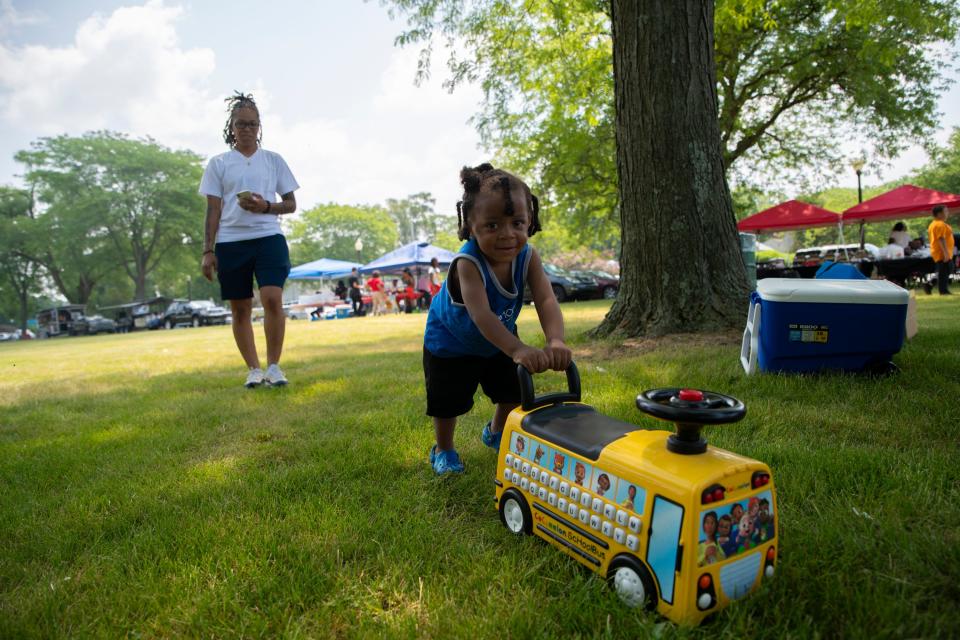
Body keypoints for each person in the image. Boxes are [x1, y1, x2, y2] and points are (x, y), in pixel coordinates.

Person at [422, 163, 572, 474]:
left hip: (497, 341)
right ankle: (444, 449)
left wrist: (555, 339)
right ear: (470, 226)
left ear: (530, 221)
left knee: (512, 392)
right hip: (450, 343)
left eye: (517, 223)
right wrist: (517, 348)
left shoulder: (528, 256)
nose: (507, 235)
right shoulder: (468, 262)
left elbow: (545, 298)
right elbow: (481, 315)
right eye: (492, 226)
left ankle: (495, 433)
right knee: (447, 403)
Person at [199, 92, 298, 388]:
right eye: (241, 124)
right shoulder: (219, 164)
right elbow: (213, 210)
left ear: (259, 127)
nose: (247, 129)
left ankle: (274, 366)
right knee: (240, 307)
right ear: (231, 128)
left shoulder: (273, 160)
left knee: (271, 298)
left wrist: (265, 206)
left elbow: (291, 204)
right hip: (230, 242)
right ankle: (254, 370)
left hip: (268, 237)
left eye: (252, 124)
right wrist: (208, 250)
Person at [927, 205, 955, 295]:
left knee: (946, 269)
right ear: (939, 214)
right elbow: (941, 239)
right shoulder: (939, 224)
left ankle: (929, 284)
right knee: (944, 270)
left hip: (939, 251)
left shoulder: (934, 223)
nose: (947, 213)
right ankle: (943, 290)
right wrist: (946, 253)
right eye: (945, 212)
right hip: (941, 252)